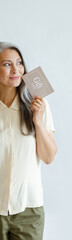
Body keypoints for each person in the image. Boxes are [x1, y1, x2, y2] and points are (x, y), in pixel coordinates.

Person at [0, 42, 57, 240]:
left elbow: (48, 157)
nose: (15, 70)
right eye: (7, 64)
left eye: (19, 63)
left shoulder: (38, 105)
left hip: (28, 211)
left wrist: (38, 122)